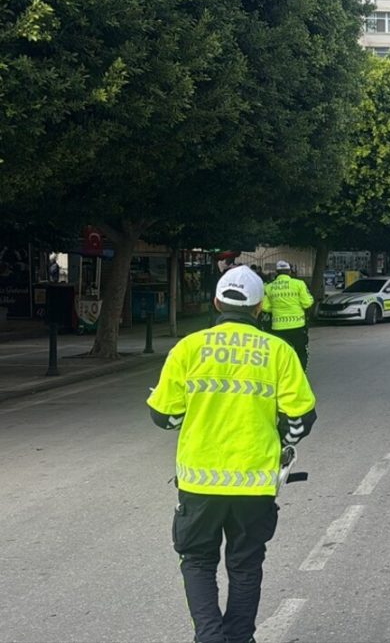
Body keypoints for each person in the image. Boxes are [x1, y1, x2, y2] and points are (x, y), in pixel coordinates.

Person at [147, 265, 317, 643]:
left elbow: (165, 417)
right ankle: (239, 638)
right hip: (254, 483)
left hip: (199, 482)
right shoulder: (278, 351)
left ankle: (209, 637)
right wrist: (281, 441)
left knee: (198, 561)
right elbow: (302, 419)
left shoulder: (188, 348)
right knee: (245, 565)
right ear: (259, 308)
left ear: (216, 302)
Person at [262, 261, 314, 370]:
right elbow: (307, 303)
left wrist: (277, 309)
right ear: (289, 271)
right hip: (298, 325)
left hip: (278, 327)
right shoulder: (299, 284)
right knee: (301, 351)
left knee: (281, 353)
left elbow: (265, 307)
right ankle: (301, 373)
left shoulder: (269, 287)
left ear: (277, 272)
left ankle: (283, 374)